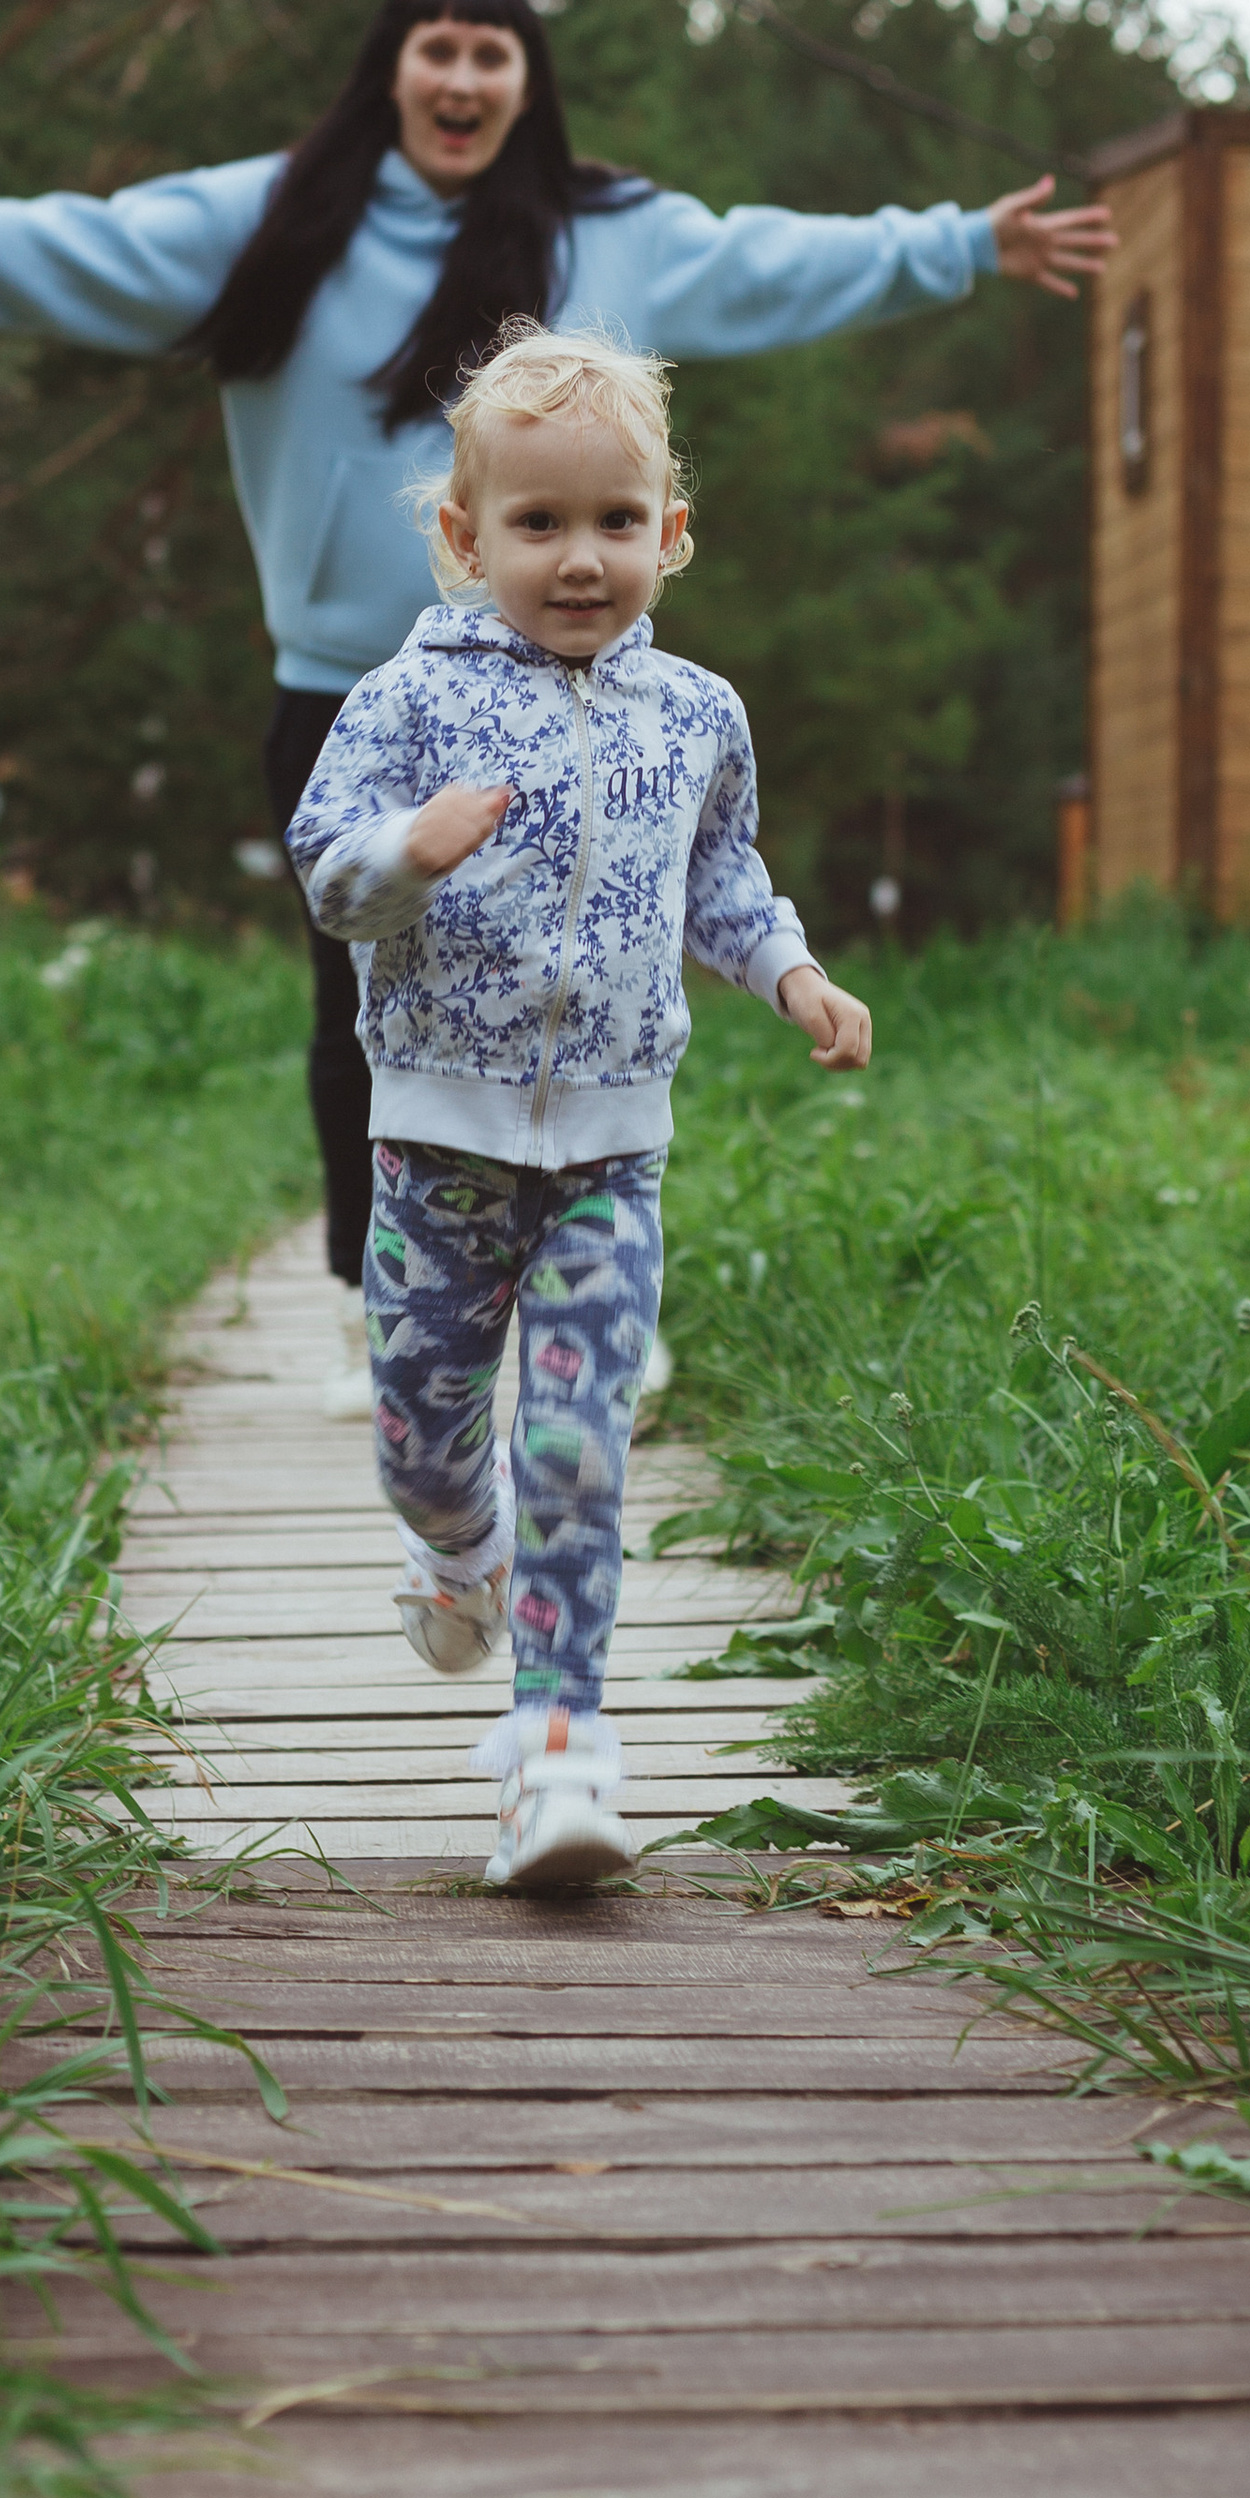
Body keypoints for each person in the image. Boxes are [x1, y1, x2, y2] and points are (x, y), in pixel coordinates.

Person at [0, 0, 1112, 1407]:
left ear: (525, 85)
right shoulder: (269, 224)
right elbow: (69, 247)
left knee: (595, 962)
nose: (463, 80)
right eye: (439, 49)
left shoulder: (600, 235)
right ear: (393, 68)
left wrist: (961, 246)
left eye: (494, 56)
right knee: (360, 999)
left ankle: (587, 1277)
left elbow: (775, 260)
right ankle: (377, 1297)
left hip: (567, 690)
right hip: (346, 690)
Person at [284, 320, 864, 1891]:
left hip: (614, 1144)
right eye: (538, 525)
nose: (581, 558)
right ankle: (454, 1551)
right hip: (438, 1142)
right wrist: (410, 851)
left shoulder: (698, 717)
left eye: (617, 522)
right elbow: (324, 874)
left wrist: (793, 974)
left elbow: (722, 877)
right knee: (424, 1435)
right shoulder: (408, 701)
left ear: (670, 533)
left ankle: (559, 1752)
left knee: (583, 1446)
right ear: (469, 540)